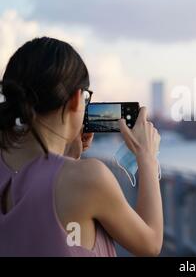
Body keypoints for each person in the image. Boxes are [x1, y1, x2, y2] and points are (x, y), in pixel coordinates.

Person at [0, 37, 163, 257]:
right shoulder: (89, 177)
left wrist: (70, 158)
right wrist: (147, 159)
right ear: (77, 99)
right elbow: (150, 245)